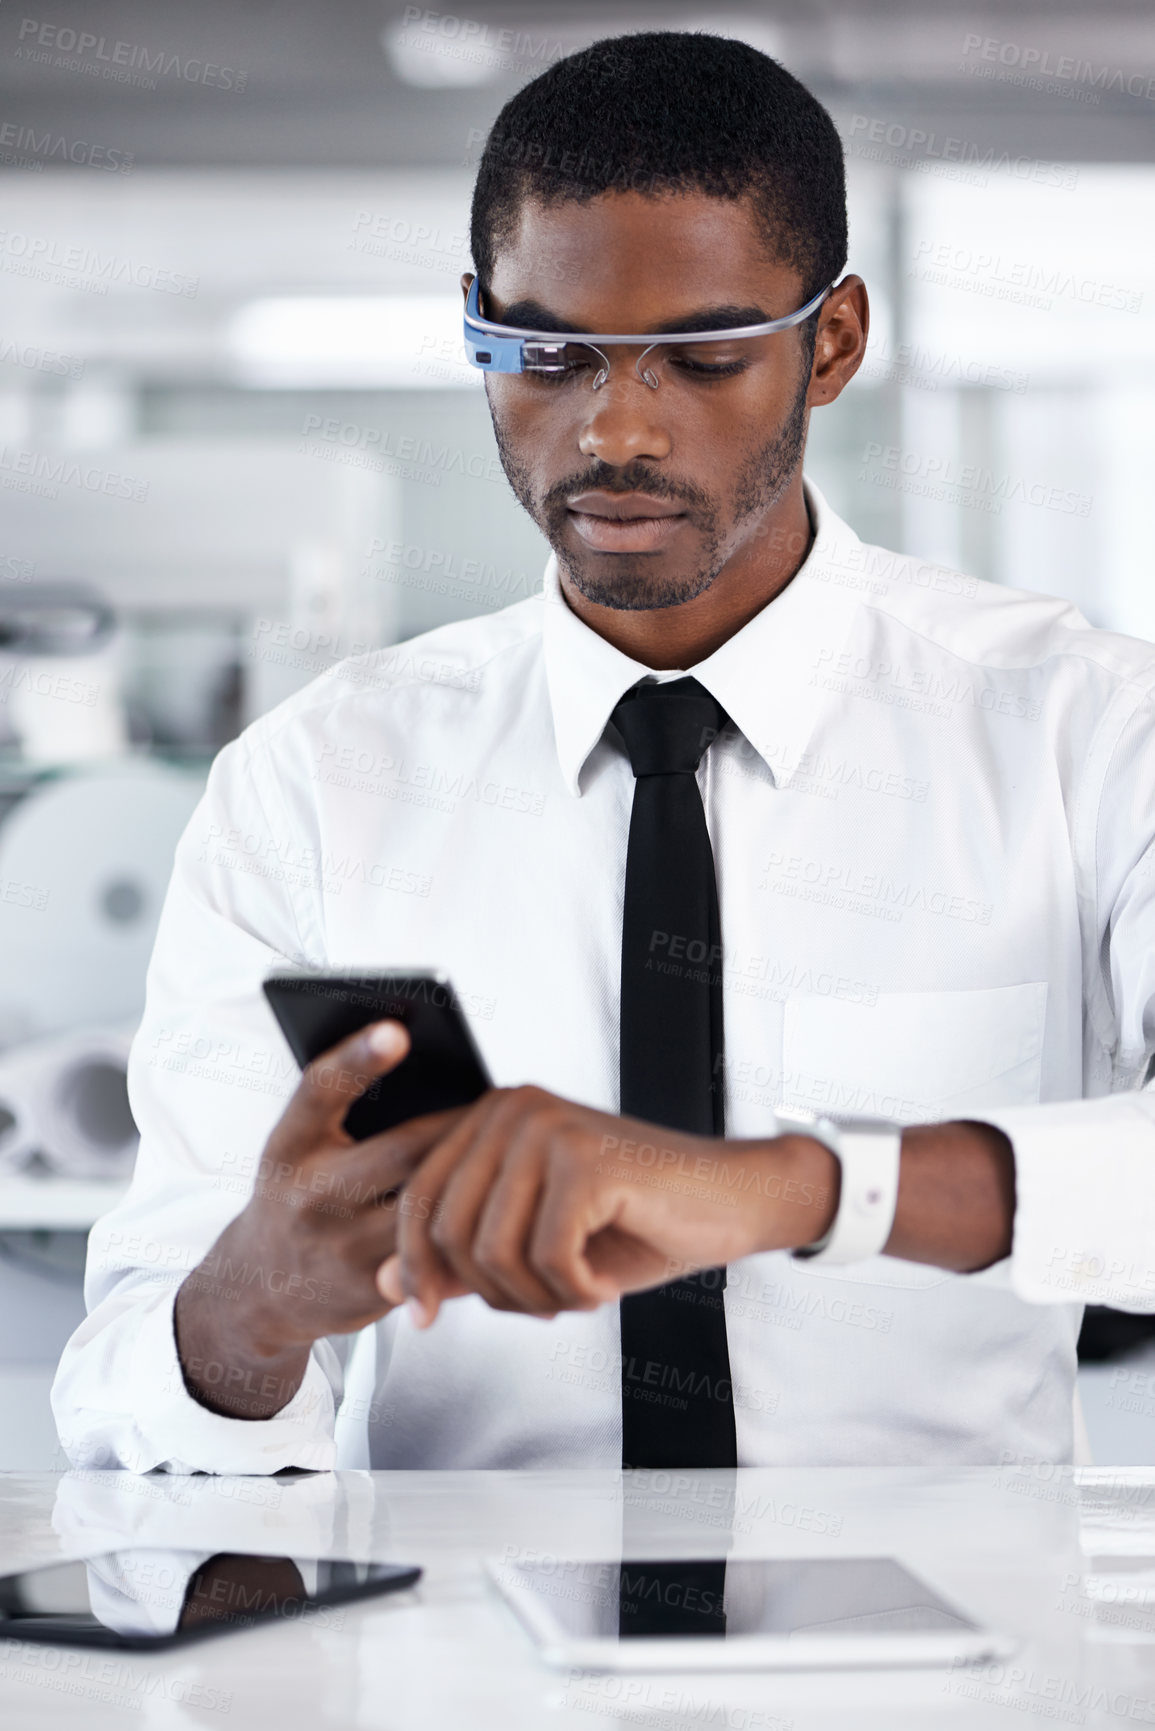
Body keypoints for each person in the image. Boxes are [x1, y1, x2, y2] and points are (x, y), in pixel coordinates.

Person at [53, 32, 1155, 1478]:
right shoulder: (313, 785)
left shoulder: (1083, 730)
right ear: (476, 326)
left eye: (701, 356)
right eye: (545, 354)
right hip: (449, 1681)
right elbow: (135, 1381)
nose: (614, 426)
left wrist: (786, 1190)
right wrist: (259, 1304)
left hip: (949, 1678)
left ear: (832, 342)